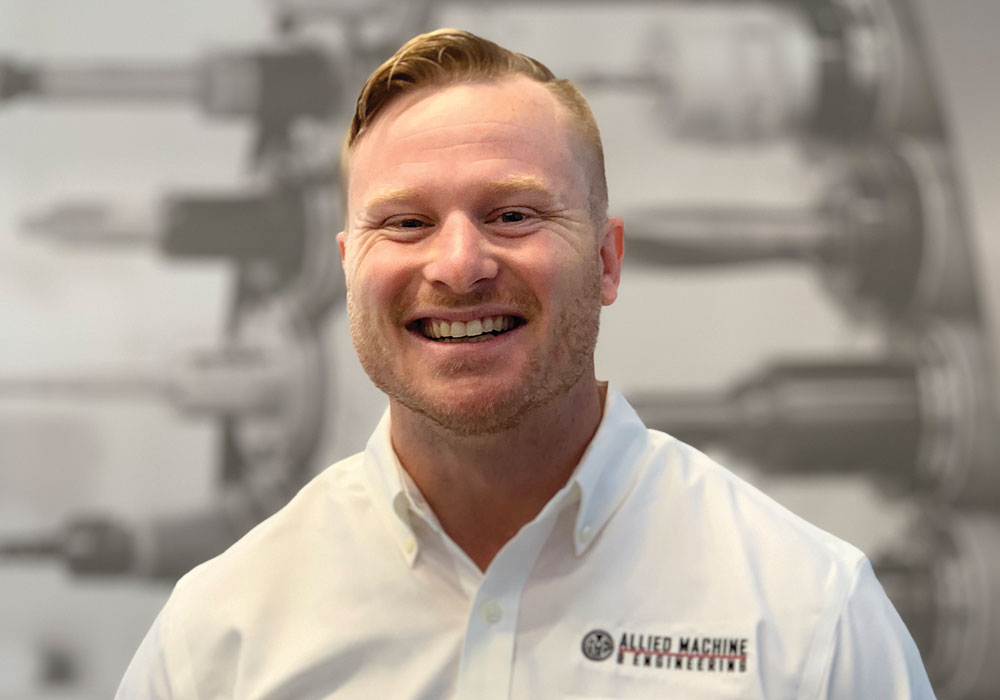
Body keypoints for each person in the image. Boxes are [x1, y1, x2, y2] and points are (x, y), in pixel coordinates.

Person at [116, 28, 935, 699]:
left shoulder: (809, 616)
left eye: (512, 214)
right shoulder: (217, 641)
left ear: (607, 262)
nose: (457, 265)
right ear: (348, 271)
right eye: (404, 223)